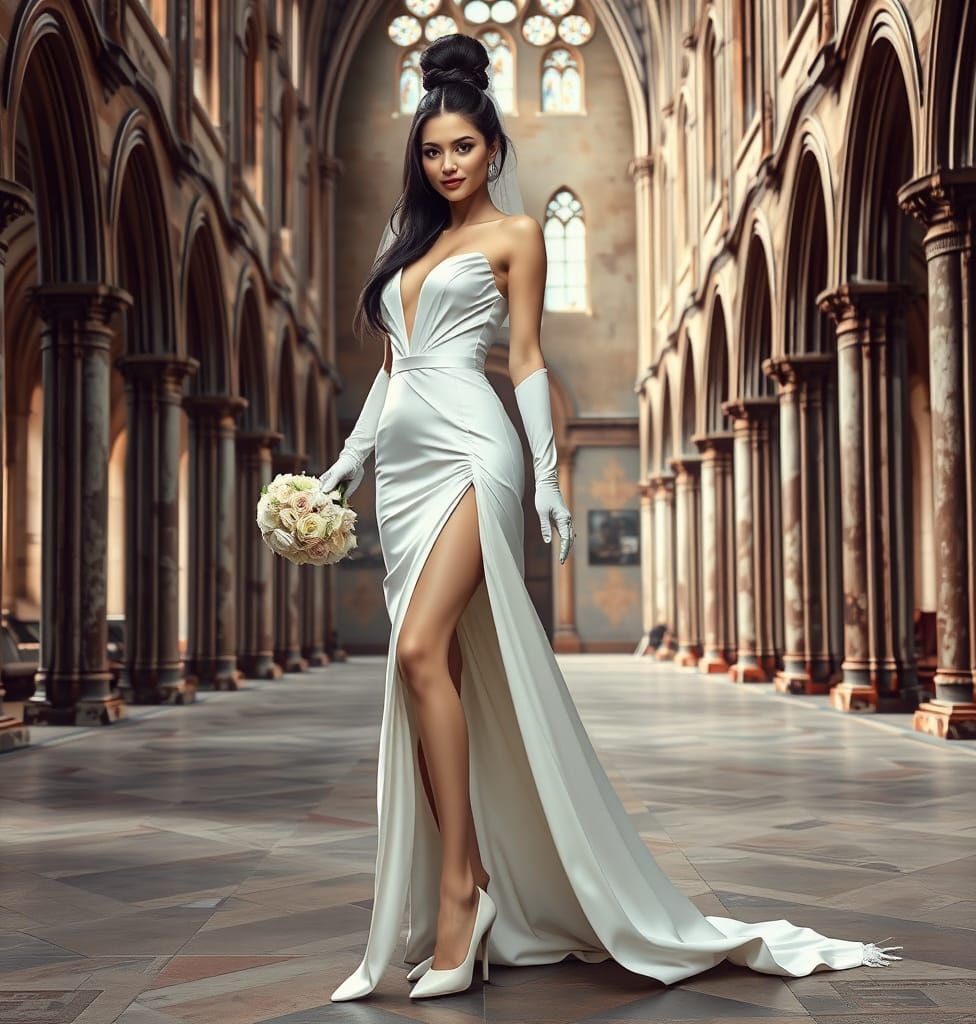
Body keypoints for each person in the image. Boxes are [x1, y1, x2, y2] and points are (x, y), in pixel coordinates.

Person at [318, 32, 901, 1004]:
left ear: (491, 149)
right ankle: (472, 885)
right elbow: (392, 371)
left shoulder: (515, 236)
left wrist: (546, 474)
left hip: (474, 452)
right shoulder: (401, 242)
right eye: (432, 150)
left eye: (463, 147)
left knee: (418, 652)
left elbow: (528, 361)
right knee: (436, 672)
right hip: (406, 470)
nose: (447, 163)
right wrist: (346, 460)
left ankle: (461, 896)